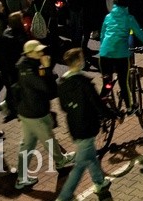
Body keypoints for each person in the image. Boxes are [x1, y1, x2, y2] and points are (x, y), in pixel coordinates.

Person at [14, 40, 74, 190]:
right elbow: (47, 89)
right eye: (38, 51)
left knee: (27, 144)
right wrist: (47, 68)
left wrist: (45, 68)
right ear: (29, 53)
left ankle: (22, 177)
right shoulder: (28, 70)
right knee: (47, 139)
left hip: (28, 111)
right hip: (35, 113)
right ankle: (60, 162)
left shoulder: (28, 65)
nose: (42, 53)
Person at [56, 48, 112, 201]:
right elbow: (98, 105)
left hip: (74, 125)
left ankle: (99, 182)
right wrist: (113, 115)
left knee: (91, 156)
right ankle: (64, 196)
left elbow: (63, 107)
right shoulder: (84, 83)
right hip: (87, 126)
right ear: (78, 62)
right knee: (80, 166)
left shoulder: (62, 82)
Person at [99, 0, 143, 112]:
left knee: (107, 83)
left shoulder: (108, 17)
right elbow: (139, 32)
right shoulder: (129, 18)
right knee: (124, 83)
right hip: (120, 55)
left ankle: (101, 104)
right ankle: (129, 107)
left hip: (104, 54)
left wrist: (104, 48)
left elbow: (102, 35)